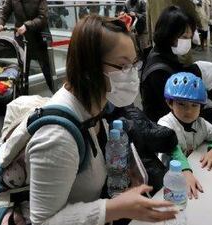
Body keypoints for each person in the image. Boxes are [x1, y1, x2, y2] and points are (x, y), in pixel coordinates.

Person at [26, 15, 178, 225]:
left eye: (134, 63)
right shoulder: (57, 138)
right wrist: (113, 209)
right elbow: (42, 222)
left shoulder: (99, 106)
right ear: (89, 68)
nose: (133, 74)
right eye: (123, 66)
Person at [157, 72, 212, 199]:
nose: (189, 110)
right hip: (168, 182)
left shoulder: (201, 124)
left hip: (198, 175)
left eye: (194, 105)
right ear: (170, 103)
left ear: (201, 106)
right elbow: (173, 149)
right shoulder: (165, 123)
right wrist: (185, 172)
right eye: (181, 104)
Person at [0, 0, 55, 94]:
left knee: (47, 71)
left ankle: (56, 94)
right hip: (22, 38)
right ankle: (23, 99)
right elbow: (4, 11)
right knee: (23, 74)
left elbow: (43, 17)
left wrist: (27, 25)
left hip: (39, 39)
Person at [146, 0, 201, 65]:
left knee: (162, 63)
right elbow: (191, 11)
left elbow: (148, 17)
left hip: (159, 36)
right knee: (182, 64)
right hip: (178, 36)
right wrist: (199, 23)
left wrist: (149, 37)